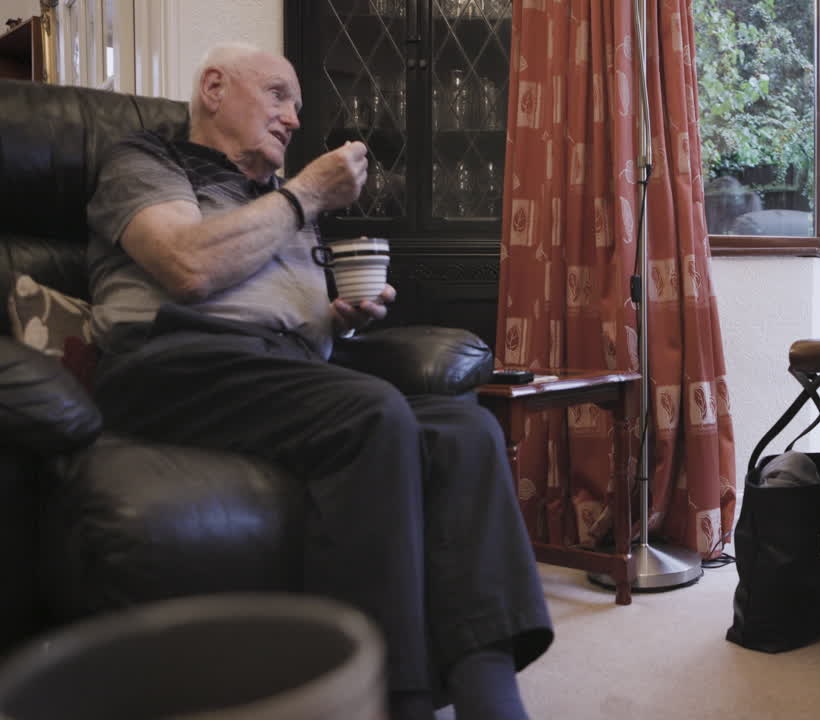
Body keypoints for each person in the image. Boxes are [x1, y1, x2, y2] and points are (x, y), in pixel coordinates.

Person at [85, 42, 551, 720]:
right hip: (174, 360)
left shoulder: (274, 200)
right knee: (371, 413)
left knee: (467, 428)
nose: (294, 118)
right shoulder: (146, 159)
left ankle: (489, 695)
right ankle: (387, 700)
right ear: (213, 88)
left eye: (298, 106)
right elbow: (188, 266)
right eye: (278, 94)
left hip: (284, 369)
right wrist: (305, 194)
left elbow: (287, 317)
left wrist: (339, 320)